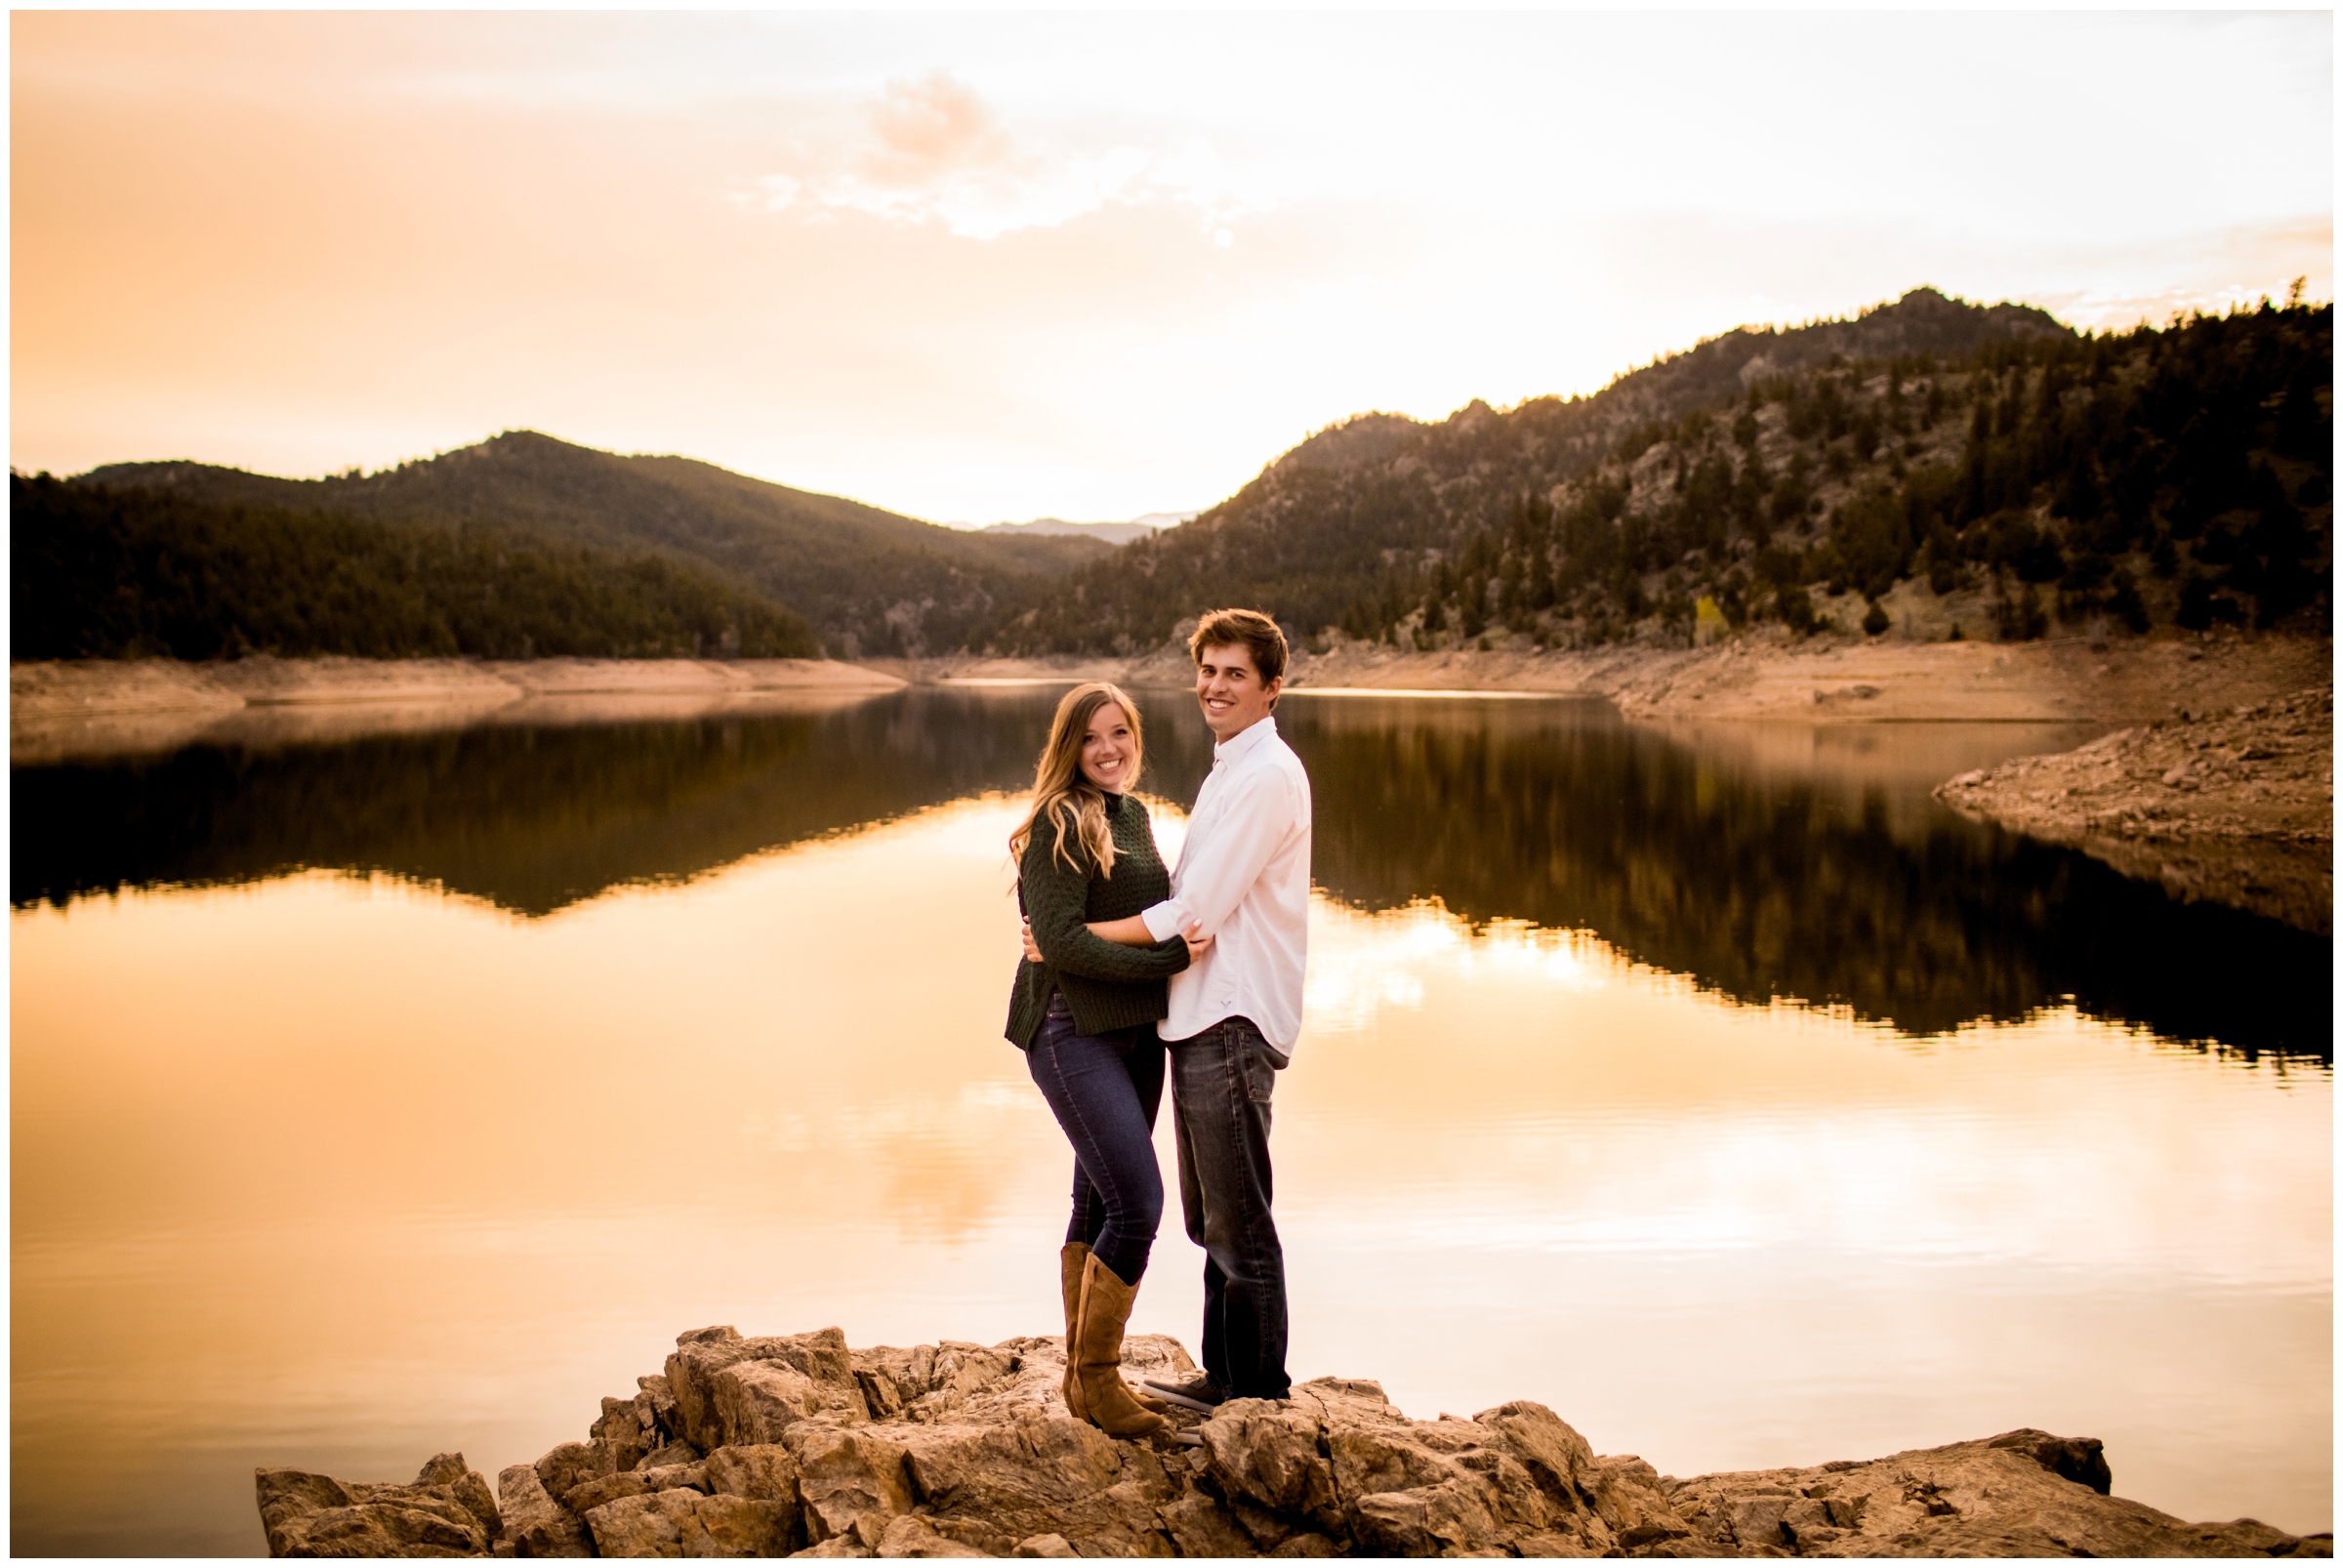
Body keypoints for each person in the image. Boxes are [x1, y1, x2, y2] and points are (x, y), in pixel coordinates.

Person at [1031, 609, 1312, 1410]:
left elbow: (1194, 911)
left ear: (1271, 689)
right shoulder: (1229, 768)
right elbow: (1174, 901)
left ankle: (1254, 1391)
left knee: (1237, 1220)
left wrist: (1067, 936)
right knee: (1211, 1220)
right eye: (1209, 671)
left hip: (1231, 1016)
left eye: (1235, 674)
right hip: (1196, 1018)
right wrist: (1070, 933)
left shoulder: (1263, 775)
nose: (1216, 686)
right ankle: (1223, 1376)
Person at [1006, 681, 1209, 1440]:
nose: (1109, 749)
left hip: (1132, 1035)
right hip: (1068, 1033)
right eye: (1092, 738)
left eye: (1119, 733)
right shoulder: (1060, 818)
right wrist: (1166, 966)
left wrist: (1165, 953)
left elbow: (1137, 920)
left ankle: (1085, 1383)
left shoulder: (1133, 814)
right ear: (1069, 747)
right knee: (1139, 1203)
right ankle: (1097, 1379)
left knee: (1096, 1204)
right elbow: (1060, 942)